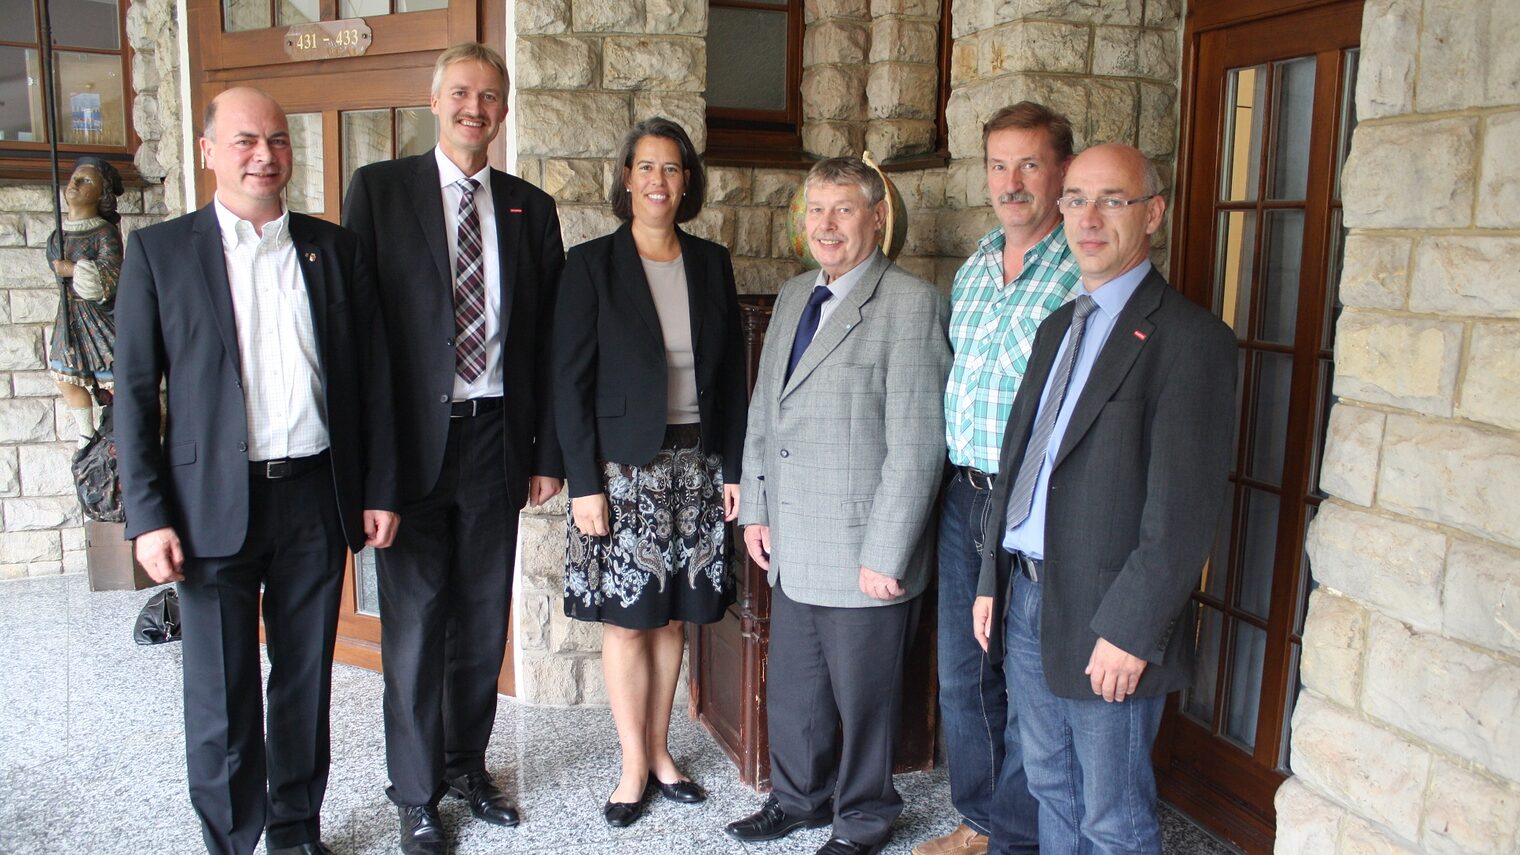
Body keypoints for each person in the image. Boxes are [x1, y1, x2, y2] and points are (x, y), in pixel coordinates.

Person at [115, 87, 399, 855]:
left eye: (276, 140)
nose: (264, 155)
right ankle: (232, 838)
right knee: (221, 694)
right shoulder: (160, 254)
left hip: (313, 496)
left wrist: (379, 488)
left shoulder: (334, 249)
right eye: (244, 141)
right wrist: (146, 517)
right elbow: (136, 397)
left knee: (303, 680)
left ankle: (295, 831)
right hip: (208, 507)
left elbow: (371, 381)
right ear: (209, 151)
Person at [972, 143, 1236, 855]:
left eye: (1112, 199)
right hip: (1028, 599)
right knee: (1052, 788)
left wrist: (1131, 629)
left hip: (1108, 619)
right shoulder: (1060, 325)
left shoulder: (1191, 340)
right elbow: (1021, 460)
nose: (1089, 217)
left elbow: (1181, 514)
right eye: (1076, 199)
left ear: (1152, 213)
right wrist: (992, 580)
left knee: (1112, 817)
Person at [341, 42, 564, 855]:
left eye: (491, 96)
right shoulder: (380, 191)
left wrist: (548, 451)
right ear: (435, 101)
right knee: (414, 622)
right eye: (462, 93)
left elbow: (539, 343)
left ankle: (467, 765)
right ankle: (415, 792)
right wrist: (371, 468)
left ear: (504, 112)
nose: (477, 108)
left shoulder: (529, 208)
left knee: (480, 618)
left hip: (496, 441)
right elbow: (360, 337)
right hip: (408, 454)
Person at [725, 157, 951, 855]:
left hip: (864, 549)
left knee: (866, 701)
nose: (826, 224)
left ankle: (863, 818)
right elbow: (767, 410)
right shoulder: (795, 295)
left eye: (843, 209)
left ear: (876, 216)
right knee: (797, 687)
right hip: (794, 537)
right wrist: (756, 508)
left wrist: (888, 552)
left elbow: (918, 443)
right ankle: (798, 798)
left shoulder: (911, 303)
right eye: (816, 210)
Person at [553, 116, 748, 828]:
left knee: (675, 620)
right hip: (622, 471)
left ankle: (665, 752)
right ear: (626, 178)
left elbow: (728, 375)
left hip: (698, 467)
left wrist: (732, 463)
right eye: (646, 167)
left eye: (672, 168)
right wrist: (583, 484)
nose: (658, 181)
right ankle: (633, 762)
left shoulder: (711, 262)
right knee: (628, 621)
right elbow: (567, 382)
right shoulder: (591, 266)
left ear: (686, 181)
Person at [918, 102, 1080, 855]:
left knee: (1025, 677)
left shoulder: (1082, 270)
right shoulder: (979, 264)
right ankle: (980, 819)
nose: (1011, 182)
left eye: (1029, 164)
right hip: (963, 495)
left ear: (1060, 172)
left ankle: (1015, 834)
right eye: (998, 165)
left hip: (1036, 503)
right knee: (961, 671)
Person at [46, 156, 125, 446]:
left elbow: (112, 275)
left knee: (114, 375)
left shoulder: (104, 232)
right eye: (75, 178)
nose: (75, 183)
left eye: (86, 180)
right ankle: (85, 432)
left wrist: (72, 269)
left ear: (101, 193)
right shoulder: (59, 235)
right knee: (65, 373)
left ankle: (123, 429)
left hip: (99, 314)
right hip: (69, 313)